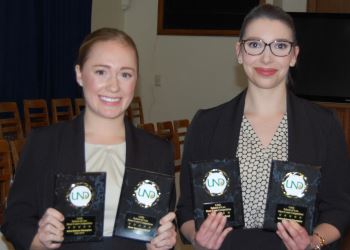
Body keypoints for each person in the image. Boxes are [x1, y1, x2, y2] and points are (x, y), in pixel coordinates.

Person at [176, 4, 350, 250]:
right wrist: (196, 237)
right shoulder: (206, 124)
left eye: (280, 46)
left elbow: (339, 209)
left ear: (294, 55)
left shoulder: (324, 125)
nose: (266, 57)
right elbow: (186, 210)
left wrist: (314, 242)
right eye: (255, 44)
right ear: (239, 52)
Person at [2, 28, 177, 250]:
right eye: (101, 72)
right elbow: (15, 219)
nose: (114, 86)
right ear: (79, 74)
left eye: (125, 74)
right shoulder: (44, 143)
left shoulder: (157, 151)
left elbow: (164, 224)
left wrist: (164, 242)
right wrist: (39, 241)